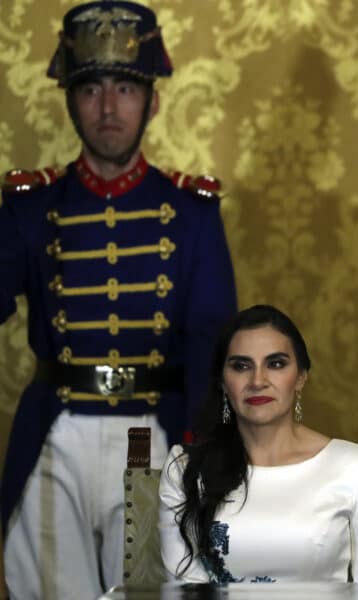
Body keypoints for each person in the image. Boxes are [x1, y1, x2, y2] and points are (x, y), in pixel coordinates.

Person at [0, 2, 238, 597]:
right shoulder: (29, 207)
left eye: (127, 87)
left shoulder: (192, 213)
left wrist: (200, 454)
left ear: (153, 101)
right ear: (70, 101)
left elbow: (212, 340)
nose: (109, 107)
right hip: (56, 435)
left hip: (160, 432)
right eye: (92, 89)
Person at [159, 304, 358, 583]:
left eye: (276, 364)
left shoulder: (354, 466)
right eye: (241, 366)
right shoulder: (184, 469)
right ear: (223, 382)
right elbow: (185, 589)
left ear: (300, 378)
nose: (258, 381)